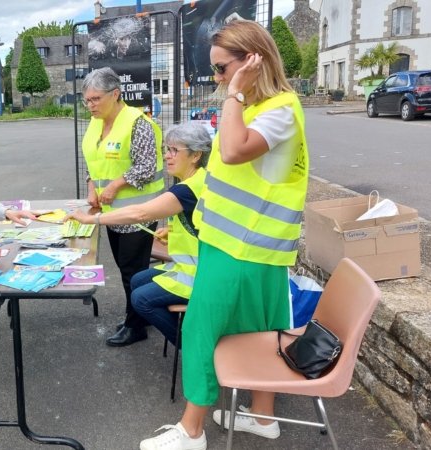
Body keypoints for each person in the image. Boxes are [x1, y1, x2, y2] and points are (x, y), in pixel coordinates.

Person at [138, 20, 309, 450]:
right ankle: (263, 417)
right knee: (261, 329)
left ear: (253, 60)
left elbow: (232, 151)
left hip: (242, 248)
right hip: (244, 247)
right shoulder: (258, 108)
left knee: (201, 328)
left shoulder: (278, 108)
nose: (215, 78)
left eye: (220, 69)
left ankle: (191, 432)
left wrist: (234, 93)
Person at [66, 122, 211, 347]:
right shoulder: (197, 181)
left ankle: (193, 345)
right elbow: (199, 224)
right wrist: (171, 232)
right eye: (167, 149)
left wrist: (91, 218)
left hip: (199, 276)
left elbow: (140, 213)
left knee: (140, 298)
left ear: (196, 156)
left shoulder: (186, 189)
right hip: (190, 267)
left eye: (175, 150)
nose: (167, 156)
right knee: (137, 279)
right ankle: (149, 323)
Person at [80, 67, 164, 347]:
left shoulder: (137, 122)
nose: (90, 105)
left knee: (133, 271)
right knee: (127, 269)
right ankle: (139, 314)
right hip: (112, 213)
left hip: (138, 213)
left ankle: (136, 325)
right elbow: (94, 161)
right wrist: (93, 187)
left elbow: (147, 166)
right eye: (86, 100)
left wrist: (115, 185)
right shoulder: (96, 123)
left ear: (115, 94)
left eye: (95, 99)